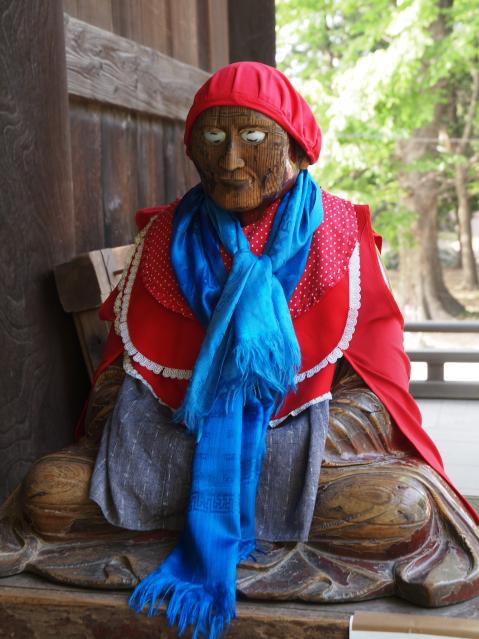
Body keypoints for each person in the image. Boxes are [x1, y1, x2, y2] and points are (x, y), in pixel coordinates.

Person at [78, 62, 478, 639]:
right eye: (212, 138)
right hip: (176, 444)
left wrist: (298, 439)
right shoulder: (166, 238)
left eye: (252, 137)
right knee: (52, 490)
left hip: (303, 448)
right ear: (191, 148)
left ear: (296, 148)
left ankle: (225, 515)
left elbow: (376, 388)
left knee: (400, 506)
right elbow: (120, 378)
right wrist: (154, 425)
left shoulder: (338, 232)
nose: (230, 160)